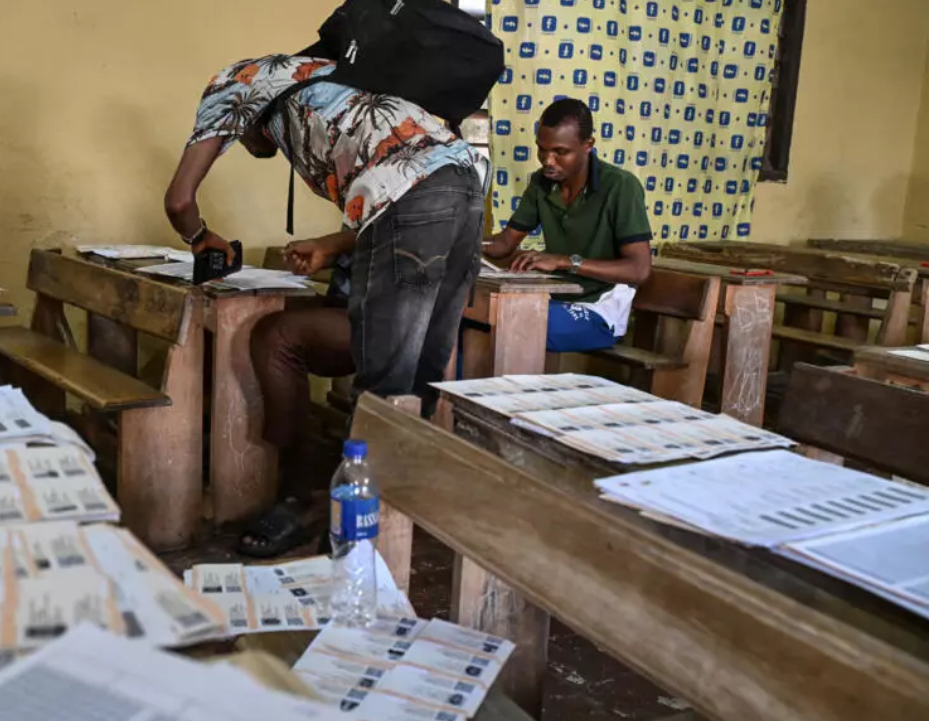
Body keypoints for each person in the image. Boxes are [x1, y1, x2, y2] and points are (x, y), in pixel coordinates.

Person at [164, 55, 488, 557]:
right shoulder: (315, 73)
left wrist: (200, 235)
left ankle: (341, 526)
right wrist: (334, 246)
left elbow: (179, 201)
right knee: (418, 371)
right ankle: (388, 523)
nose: (250, 149)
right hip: (466, 183)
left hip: (419, 197)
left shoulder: (232, 89)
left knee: (384, 383)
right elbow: (392, 189)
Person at [484, 98, 652, 352]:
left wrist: (564, 261)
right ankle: (449, 392)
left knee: (516, 323)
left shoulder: (620, 186)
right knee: (472, 319)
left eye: (560, 152)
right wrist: (464, 242)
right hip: (553, 299)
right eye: (542, 148)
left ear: (588, 146)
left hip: (599, 310)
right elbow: (506, 243)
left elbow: (639, 269)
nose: (548, 160)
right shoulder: (542, 183)